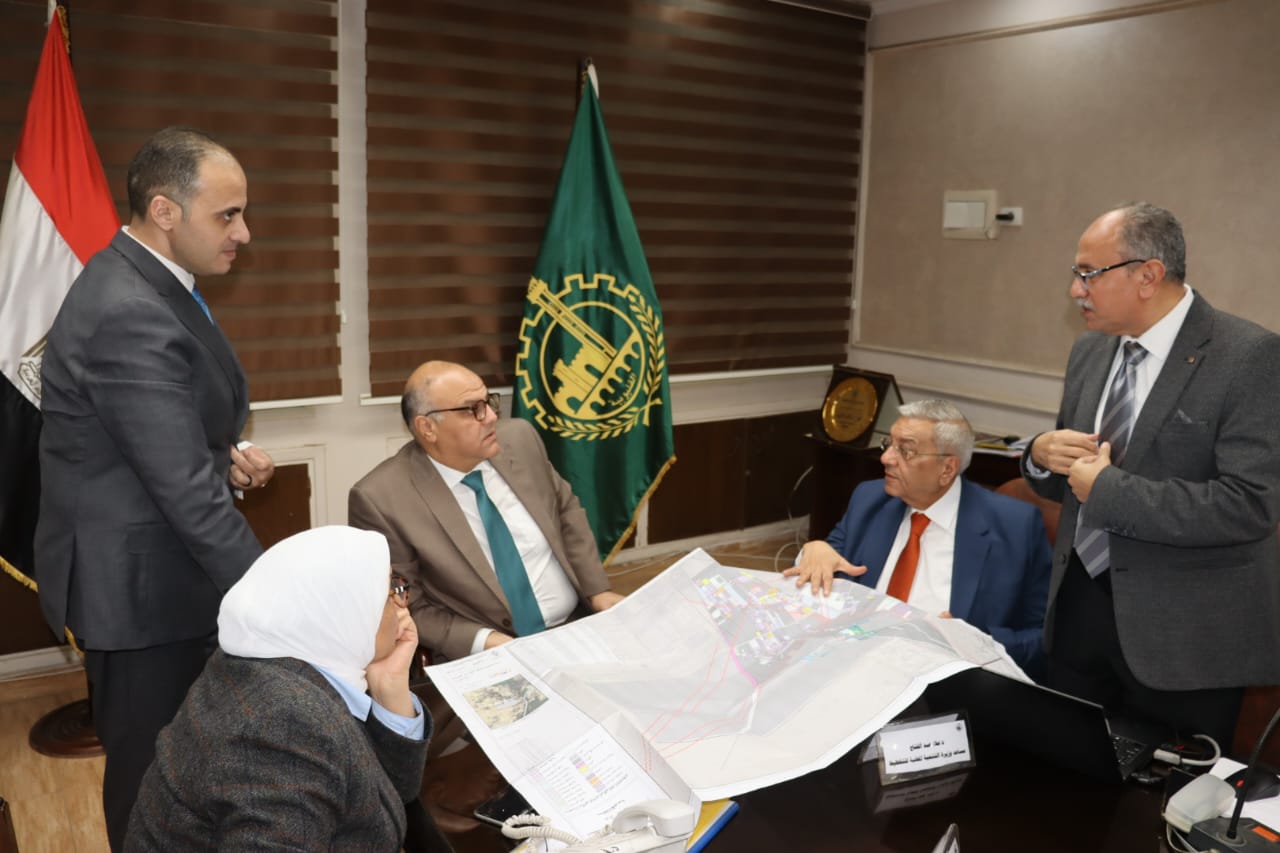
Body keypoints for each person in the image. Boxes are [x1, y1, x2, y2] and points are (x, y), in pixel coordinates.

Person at [35, 126, 275, 851]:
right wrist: (277, 596)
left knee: (191, 769)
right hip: (140, 593)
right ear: (165, 211)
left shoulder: (152, 282)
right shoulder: (129, 307)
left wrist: (223, 454)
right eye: (227, 215)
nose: (243, 232)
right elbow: (184, 493)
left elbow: (154, 431)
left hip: (161, 568)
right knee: (151, 786)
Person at [1023, 202, 1280, 745]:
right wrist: (1041, 455)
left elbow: (1249, 505)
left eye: (1089, 273)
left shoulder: (1248, 357)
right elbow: (1072, 470)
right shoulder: (1089, 350)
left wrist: (1109, 490)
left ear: (1148, 275)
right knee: (1068, 777)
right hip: (1079, 614)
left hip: (1182, 636)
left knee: (1170, 793)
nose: (1075, 290)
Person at [125, 525, 448, 853]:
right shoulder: (283, 728)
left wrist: (389, 688)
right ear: (346, 613)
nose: (402, 605)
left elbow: (394, 793)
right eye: (390, 590)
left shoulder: (274, 664)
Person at [348, 360, 623, 662]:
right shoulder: (381, 499)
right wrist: (486, 642)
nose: (491, 417)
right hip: (486, 653)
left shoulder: (520, 439)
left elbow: (566, 512)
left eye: (489, 402)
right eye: (472, 409)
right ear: (428, 428)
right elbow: (405, 605)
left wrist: (597, 591)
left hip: (575, 625)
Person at [784, 400, 1052, 677]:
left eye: (906, 451)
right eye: (889, 444)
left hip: (946, 679)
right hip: (858, 662)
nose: (887, 458)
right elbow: (830, 563)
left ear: (947, 469)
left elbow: (1043, 637)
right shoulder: (870, 499)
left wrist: (974, 642)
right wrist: (814, 549)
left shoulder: (1014, 526)